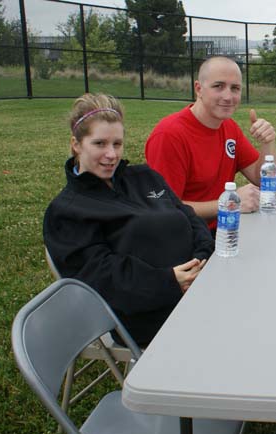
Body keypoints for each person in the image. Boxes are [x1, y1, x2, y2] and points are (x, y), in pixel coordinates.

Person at [44, 93, 213, 346]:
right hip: (146, 315)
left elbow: (188, 217)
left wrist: (200, 260)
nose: (111, 154)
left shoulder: (144, 177)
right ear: (76, 144)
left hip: (198, 287)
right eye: (99, 143)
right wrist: (168, 281)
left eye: (117, 144)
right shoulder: (67, 212)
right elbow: (100, 278)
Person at [145, 56, 276, 229]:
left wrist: (267, 142)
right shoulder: (169, 135)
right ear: (198, 89)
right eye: (218, 86)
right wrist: (229, 202)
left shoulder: (229, 127)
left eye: (235, 88)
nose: (228, 96)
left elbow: (262, 180)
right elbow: (165, 208)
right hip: (189, 239)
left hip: (226, 227)